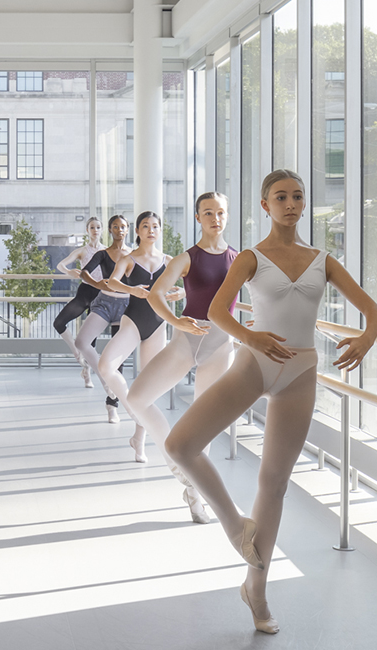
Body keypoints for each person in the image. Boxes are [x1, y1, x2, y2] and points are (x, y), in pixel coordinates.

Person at [163, 170, 377, 634]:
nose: (290, 203)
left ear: (303, 204)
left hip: (301, 372)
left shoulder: (322, 259)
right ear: (265, 205)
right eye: (280, 197)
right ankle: (232, 524)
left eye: (297, 196)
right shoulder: (251, 256)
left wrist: (365, 339)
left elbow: (373, 311)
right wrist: (251, 337)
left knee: (274, 483)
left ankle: (256, 590)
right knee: (180, 445)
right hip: (254, 362)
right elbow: (218, 311)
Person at [124, 193, 235, 525]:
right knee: (136, 398)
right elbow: (156, 294)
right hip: (186, 339)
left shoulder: (239, 258)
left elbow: (261, 292)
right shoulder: (186, 258)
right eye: (208, 213)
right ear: (198, 218)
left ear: (226, 216)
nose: (215, 218)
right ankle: (181, 468)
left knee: (205, 427)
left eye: (221, 212)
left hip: (220, 345)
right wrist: (176, 321)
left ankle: (196, 498)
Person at [95, 211, 184, 460]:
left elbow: (191, 285)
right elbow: (112, 282)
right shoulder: (129, 258)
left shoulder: (169, 260)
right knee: (105, 366)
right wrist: (130, 289)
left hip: (158, 326)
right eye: (145, 226)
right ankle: (130, 407)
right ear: (138, 231)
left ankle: (139, 441)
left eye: (155, 226)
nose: (151, 230)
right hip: (133, 321)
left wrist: (182, 293)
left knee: (148, 388)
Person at [72, 215, 132, 422]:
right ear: (110, 230)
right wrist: (99, 285)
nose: (119, 229)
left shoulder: (133, 254)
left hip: (126, 306)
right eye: (115, 226)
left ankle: (111, 405)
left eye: (122, 226)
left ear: (127, 229)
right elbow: (84, 273)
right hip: (105, 303)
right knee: (81, 341)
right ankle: (107, 379)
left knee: (119, 359)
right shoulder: (102, 254)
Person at [53, 216, 105, 388]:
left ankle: (87, 374)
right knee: (59, 322)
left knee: (92, 339)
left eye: (98, 227)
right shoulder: (82, 251)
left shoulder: (106, 251)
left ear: (102, 230)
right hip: (84, 293)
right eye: (92, 227)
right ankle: (76, 353)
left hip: (100, 294)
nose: (95, 230)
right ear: (87, 231)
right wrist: (69, 272)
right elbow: (60, 265)